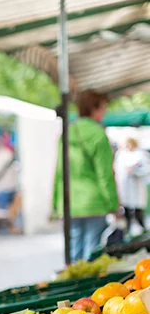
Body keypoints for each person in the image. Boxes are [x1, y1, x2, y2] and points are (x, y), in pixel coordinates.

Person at [53, 90, 119, 263]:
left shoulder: (67, 132)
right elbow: (105, 174)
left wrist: (55, 203)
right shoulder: (98, 134)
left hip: (70, 203)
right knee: (93, 255)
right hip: (93, 202)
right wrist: (113, 204)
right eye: (103, 107)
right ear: (95, 108)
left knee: (74, 257)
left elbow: (60, 172)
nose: (104, 112)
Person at [115, 135, 150, 234]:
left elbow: (146, 169)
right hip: (124, 185)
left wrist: (135, 171)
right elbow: (117, 170)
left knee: (138, 210)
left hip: (136, 185)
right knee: (126, 209)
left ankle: (143, 229)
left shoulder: (141, 154)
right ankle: (127, 229)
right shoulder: (121, 154)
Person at [0, 134, 21, 233]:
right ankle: (10, 228)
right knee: (9, 209)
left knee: (3, 210)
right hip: (11, 185)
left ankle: (5, 229)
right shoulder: (8, 154)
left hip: (2, 186)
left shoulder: (1, 156)